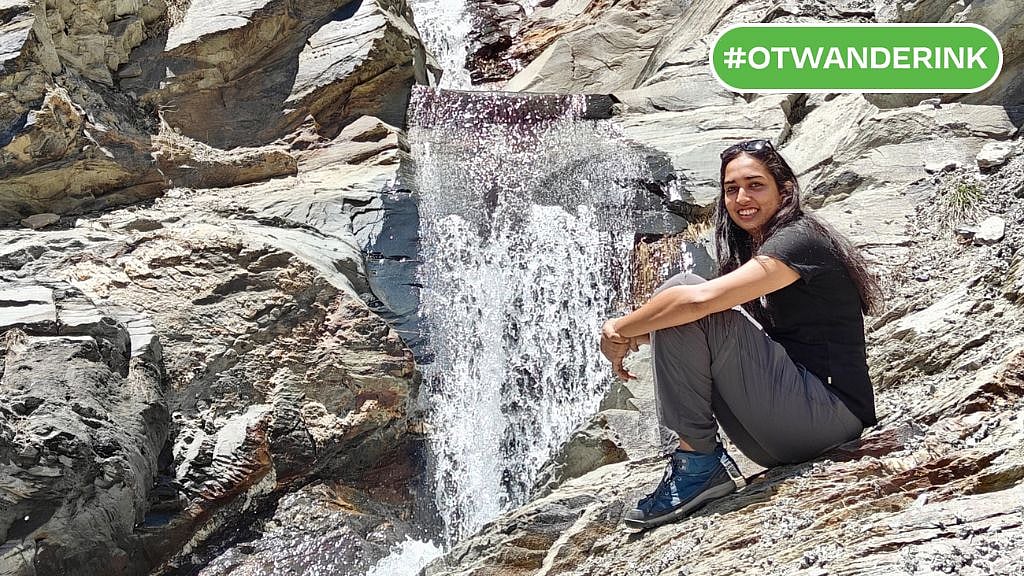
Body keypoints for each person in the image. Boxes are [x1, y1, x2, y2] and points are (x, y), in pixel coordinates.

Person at [600, 139, 882, 529]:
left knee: (683, 289)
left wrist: (618, 329)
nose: (741, 197)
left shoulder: (801, 239)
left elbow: (697, 302)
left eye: (755, 185)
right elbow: (691, 325)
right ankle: (697, 462)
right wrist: (636, 336)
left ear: (785, 190)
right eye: (731, 189)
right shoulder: (754, 249)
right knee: (674, 306)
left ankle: (698, 463)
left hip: (829, 418)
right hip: (779, 427)